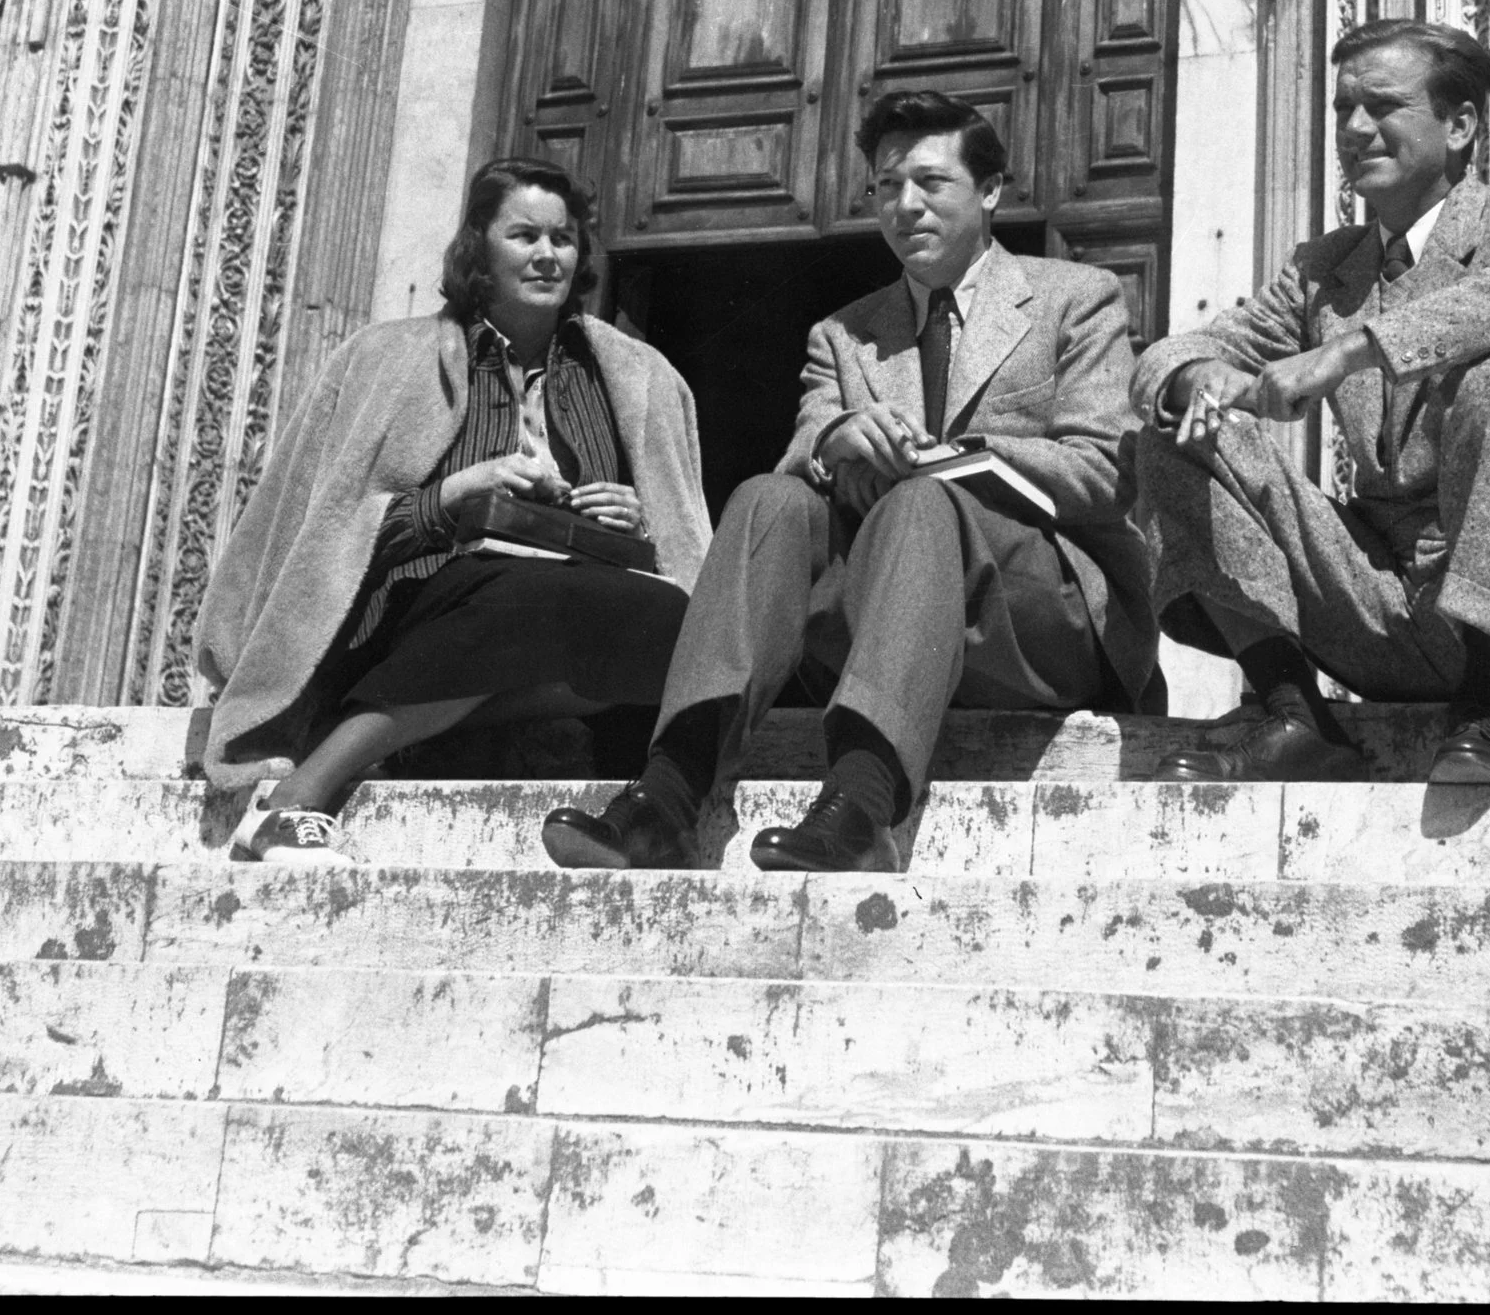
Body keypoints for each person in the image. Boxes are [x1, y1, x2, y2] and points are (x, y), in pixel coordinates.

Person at [543, 92, 1158, 875]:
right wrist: (836, 442)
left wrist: (952, 456)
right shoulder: (843, 333)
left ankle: (864, 806)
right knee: (768, 498)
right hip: (887, 613)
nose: (905, 207)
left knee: (922, 498)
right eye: (887, 186)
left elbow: (1105, 471)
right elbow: (803, 455)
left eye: (931, 183)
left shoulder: (1078, 297)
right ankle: (668, 795)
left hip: (1040, 620)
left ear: (992, 190)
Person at [1127, 19, 1490, 786]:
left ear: (1460, 125)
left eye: (1383, 106)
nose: (1355, 129)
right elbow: (1171, 354)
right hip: (1396, 616)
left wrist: (1351, 350)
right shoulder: (1327, 268)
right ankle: (1295, 715)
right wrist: (1201, 384)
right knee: (1175, 430)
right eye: (1341, 109)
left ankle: (1487, 718)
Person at [194, 158, 712, 859]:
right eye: (523, 235)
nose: (546, 255)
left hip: (571, 611)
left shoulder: (630, 376)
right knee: (526, 595)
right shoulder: (385, 361)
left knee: (672, 624)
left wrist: (638, 518)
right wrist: (457, 495)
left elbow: (680, 545)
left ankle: (417, 726)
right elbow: (332, 542)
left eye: (562, 239)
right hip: (413, 612)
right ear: (478, 247)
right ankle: (296, 799)